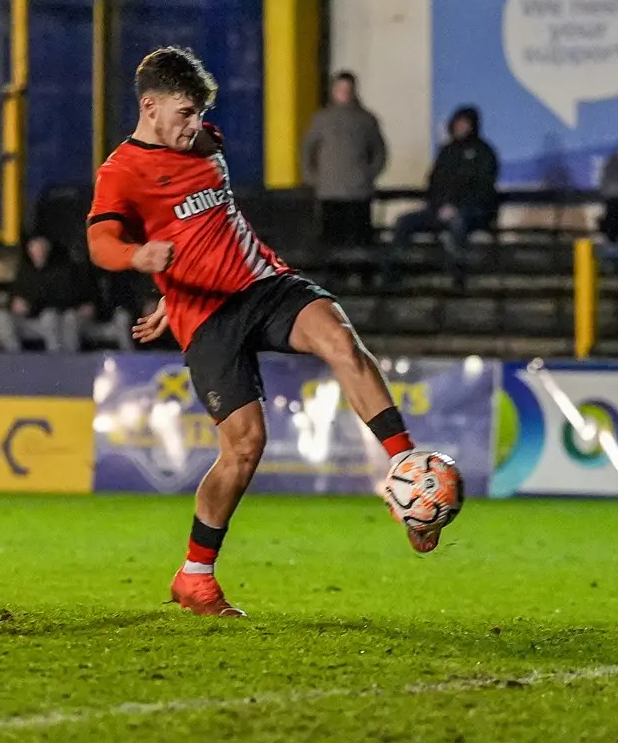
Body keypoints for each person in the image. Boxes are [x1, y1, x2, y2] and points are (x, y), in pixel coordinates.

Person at [87, 47, 445, 618]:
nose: (194, 125)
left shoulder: (206, 141)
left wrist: (167, 285)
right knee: (246, 446)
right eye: (184, 113)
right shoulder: (121, 172)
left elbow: (205, 225)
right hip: (207, 318)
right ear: (149, 107)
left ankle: (406, 472)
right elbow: (100, 243)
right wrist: (142, 262)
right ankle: (195, 575)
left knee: (340, 338)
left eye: (200, 113)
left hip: (263, 283)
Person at [390, 106, 499, 274]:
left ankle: (456, 276)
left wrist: (456, 207)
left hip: (472, 212)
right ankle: (395, 273)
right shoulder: (446, 152)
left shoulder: (484, 153)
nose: (461, 127)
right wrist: (439, 206)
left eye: (465, 124)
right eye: (458, 123)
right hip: (439, 210)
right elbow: (433, 184)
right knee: (403, 222)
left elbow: (482, 189)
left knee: (457, 224)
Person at [0, 234, 129, 353]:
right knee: (2, 317)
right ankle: (14, 360)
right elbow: (15, 297)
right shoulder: (25, 273)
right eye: (34, 246)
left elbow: (68, 299)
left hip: (61, 318)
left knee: (53, 317)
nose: (38, 250)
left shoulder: (63, 271)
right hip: (29, 319)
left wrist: (91, 307)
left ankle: (60, 359)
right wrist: (15, 304)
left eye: (41, 246)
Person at [301, 71, 388, 248]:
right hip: (329, 192)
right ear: (333, 90)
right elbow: (307, 150)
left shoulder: (367, 120)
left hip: (359, 193)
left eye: (348, 89)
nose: (345, 92)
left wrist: (367, 175)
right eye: (341, 88)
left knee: (360, 242)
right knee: (331, 242)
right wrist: (314, 179)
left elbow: (380, 151)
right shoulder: (321, 119)